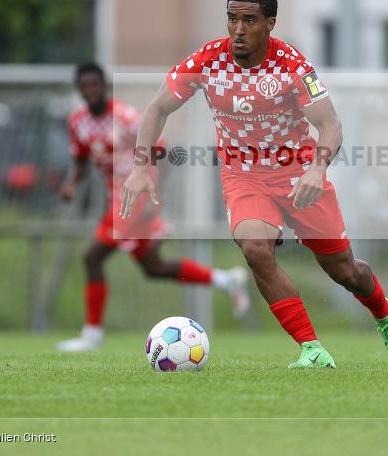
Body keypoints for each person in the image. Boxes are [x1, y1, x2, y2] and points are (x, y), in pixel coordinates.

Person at [120, 0, 388, 368]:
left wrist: (317, 169)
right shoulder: (208, 61)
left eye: (249, 20)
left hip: (299, 176)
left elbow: (331, 125)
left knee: (344, 271)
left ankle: (386, 318)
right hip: (244, 178)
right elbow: (158, 108)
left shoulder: (292, 65)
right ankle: (311, 348)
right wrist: (141, 166)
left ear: (270, 23)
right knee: (256, 249)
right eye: (232, 19)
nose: (238, 29)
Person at [56, 63, 250, 353]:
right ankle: (226, 280)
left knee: (92, 257)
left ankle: (92, 335)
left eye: (95, 84)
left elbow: (162, 150)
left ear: (104, 86)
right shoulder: (78, 123)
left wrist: (152, 196)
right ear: (80, 90)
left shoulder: (124, 117)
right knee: (153, 268)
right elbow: (81, 161)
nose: (91, 90)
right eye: (85, 86)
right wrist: (71, 183)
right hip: (117, 202)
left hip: (134, 201)